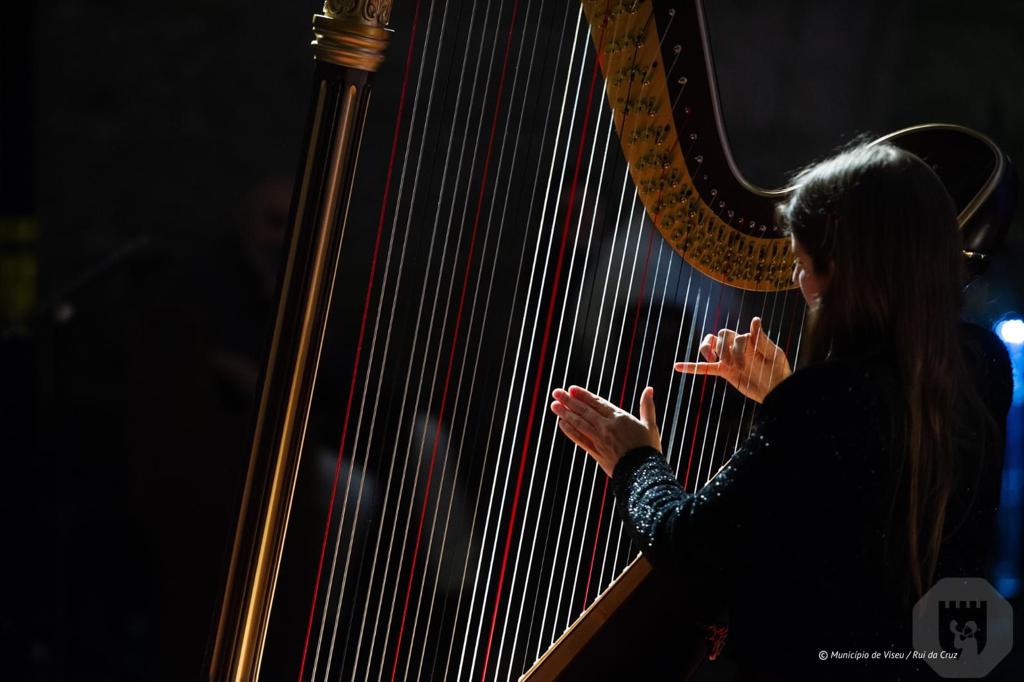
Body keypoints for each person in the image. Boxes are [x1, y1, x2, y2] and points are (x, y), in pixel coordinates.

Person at [549, 142, 1012, 680]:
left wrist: (635, 459)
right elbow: (863, 481)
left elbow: (688, 546)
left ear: (843, 268)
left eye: (800, 262)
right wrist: (785, 394)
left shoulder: (824, 401)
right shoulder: (980, 363)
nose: (797, 281)